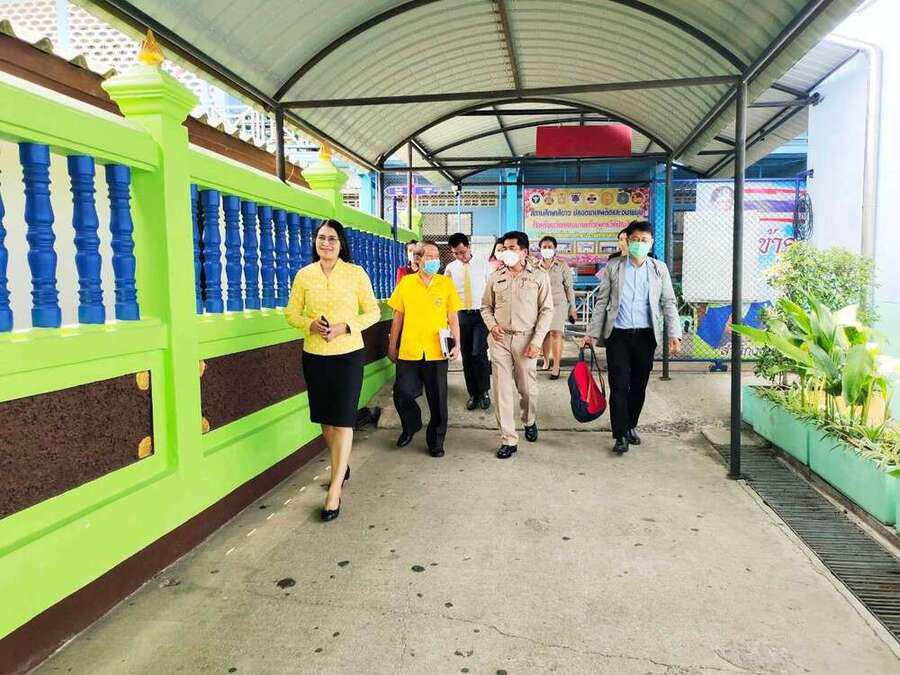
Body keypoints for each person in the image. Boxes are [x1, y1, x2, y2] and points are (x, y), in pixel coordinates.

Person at [285, 219, 380, 521]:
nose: (326, 243)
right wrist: (309, 324)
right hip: (315, 356)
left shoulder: (355, 273)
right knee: (326, 422)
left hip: (348, 355)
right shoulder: (304, 275)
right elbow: (291, 313)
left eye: (332, 239)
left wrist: (345, 327)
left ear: (341, 244)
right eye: (322, 238)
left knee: (343, 421)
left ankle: (335, 489)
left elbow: (373, 312)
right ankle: (342, 463)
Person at [583, 220, 682, 455]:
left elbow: (668, 302)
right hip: (618, 335)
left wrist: (674, 333)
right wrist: (591, 333)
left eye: (643, 240)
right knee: (618, 385)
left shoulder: (659, 269)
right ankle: (619, 434)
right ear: (627, 241)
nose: (639, 244)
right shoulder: (614, 267)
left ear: (651, 243)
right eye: (635, 239)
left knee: (639, 385)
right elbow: (602, 302)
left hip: (645, 336)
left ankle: (630, 425)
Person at [481, 231, 553, 459]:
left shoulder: (539, 276)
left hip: (526, 340)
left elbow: (547, 310)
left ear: (524, 252)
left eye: (512, 248)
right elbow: (485, 307)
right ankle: (509, 439)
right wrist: (492, 326)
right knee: (501, 390)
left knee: (527, 390)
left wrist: (537, 341)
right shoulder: (496, 276)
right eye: (504, 248)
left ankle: (529, 419)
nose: (506, 252)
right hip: (500, 340)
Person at [388, 242, 462, 457]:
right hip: (409, 350)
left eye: (436, 256)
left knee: (438, 399)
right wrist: (392, 345)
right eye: (429, 256)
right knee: (402, 393)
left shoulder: (445, 284)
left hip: (437, 351)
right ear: (418, 259)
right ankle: (411, 425)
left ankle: (436, 440)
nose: (434, 260)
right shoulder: (406, 283)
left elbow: (453, 316)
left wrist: (457, 344)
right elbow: (398, 317)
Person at [445, 233, 492, 410]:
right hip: (461, 316)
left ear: (469, 247)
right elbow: (446, 294)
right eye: (456, 253)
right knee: (466, 355)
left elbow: (491, 289)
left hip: (481, 314)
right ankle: (473, 393)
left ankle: (484, 390)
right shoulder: (450, 268)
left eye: (463, 252)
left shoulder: (483, 264)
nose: (460, 256)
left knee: (478, 352)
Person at [537, 236, 577, 379]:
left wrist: (572, 307)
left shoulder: (562, 265)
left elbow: (569, 287)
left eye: (550, 247)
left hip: (559, 304)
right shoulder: (535, 266)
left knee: (556, 333)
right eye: (544, 247)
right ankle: (546, 361)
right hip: (541, 304)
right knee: (544, 334)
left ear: (555, 249)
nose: (547, 249)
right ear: (540, 249)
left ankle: (556, 366)